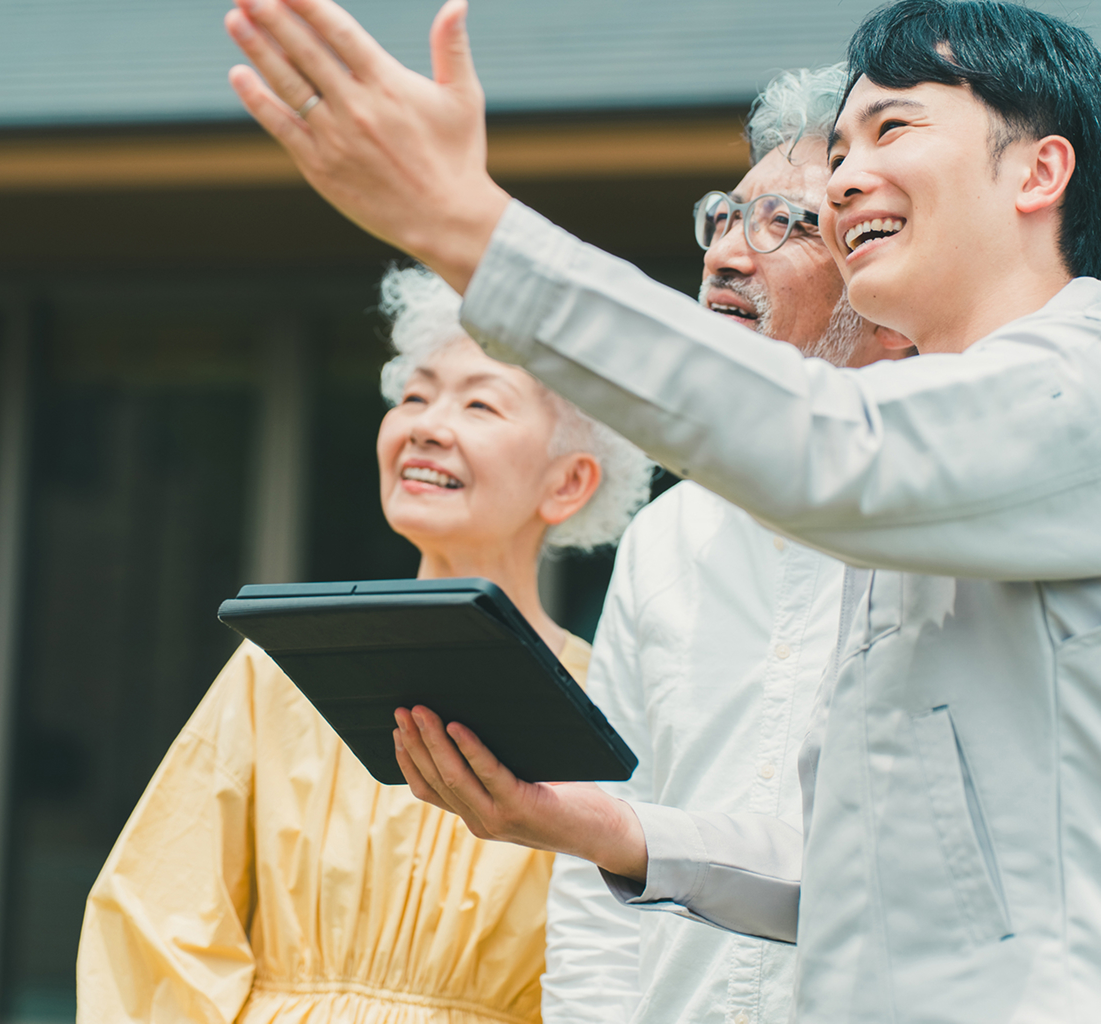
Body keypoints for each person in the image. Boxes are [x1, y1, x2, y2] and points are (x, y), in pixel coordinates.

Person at [224, 0, 1101, 1020]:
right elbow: (856, 878)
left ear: (1039, 171)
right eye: (841, 151)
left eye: (892, 128)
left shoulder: (1073, 386)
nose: (844, 177)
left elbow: (833, 448)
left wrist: (466, 224)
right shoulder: (900, 480)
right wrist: (596, 825)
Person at [75, 265, 652, 1024]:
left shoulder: (609, 704)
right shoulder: (285, 664)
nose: (426, 426)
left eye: (479, 402)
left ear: (569, 482)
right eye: (414, 395)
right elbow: (156, 928)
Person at [543, 65, 913, 1024]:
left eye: (786, 224)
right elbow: (601, 848)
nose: (726, 255)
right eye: (724, 217)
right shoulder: (664, 535)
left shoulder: (944, 522)